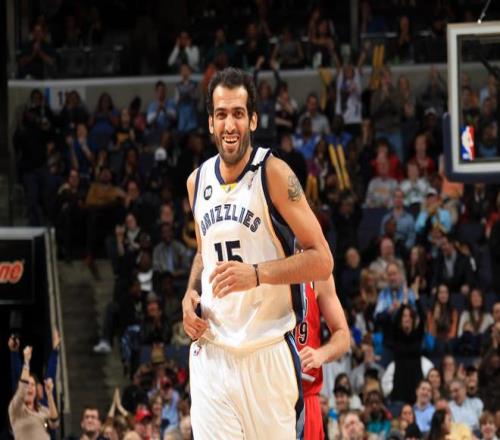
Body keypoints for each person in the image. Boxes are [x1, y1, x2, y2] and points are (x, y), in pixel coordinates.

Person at [182, 67, 334, 439]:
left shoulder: (275, 174)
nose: (229, 125)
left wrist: (256, 274)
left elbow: (322, 259)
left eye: (238, 113)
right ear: (210, 123)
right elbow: (203, 252)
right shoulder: (196, 181)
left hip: (267, 354)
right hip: (212, 354)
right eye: (221, 114)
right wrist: (190, 294)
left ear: (252, 119)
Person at [294, 277, 350, 439]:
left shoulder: (318, 272)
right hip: (268, 392)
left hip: (305, 395)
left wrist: (321, 354)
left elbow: (343, 334)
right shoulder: (260, 268)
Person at [9, 346, 59, 439]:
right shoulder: (16, 408)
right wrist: (26, 362)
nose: (29, 387)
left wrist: (49, 395)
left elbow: (54, 423)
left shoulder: (42, 409)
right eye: (27, 384)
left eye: (32, 385)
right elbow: (22, 388)